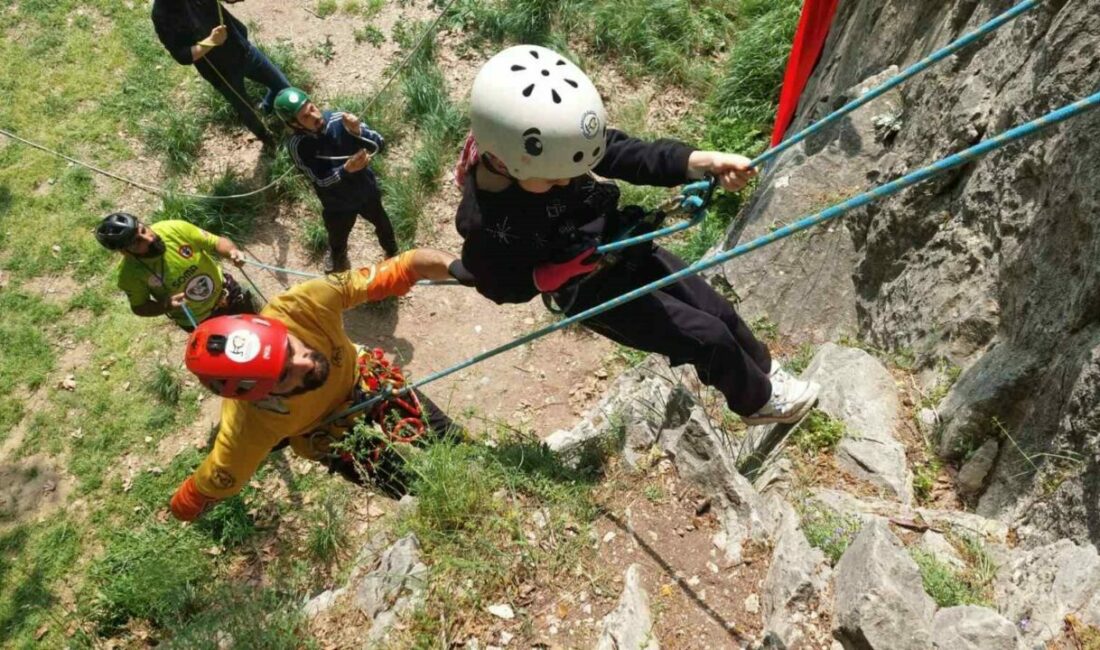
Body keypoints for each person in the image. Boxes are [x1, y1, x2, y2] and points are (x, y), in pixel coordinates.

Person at [453, 45, 819, 426]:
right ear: (501, 161)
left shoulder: (546, 150)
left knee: (718, 310)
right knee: (706, 336)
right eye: (553, 177)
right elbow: (494, 281)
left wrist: (700, 162)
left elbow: (627, 154)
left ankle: (766, 371)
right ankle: (757, 402)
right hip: (592, 292)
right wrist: (548, 277)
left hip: (623, 246)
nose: (566, 180)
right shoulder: (484, 223)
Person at [169, 250, 469, 521]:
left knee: (453, 442)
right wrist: (183, 505)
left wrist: (457, 267)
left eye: (290, 348)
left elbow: (404, 267)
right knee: (411, 488)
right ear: (262, 396)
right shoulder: (249, 426)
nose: (305, 363)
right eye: (285, 375)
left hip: (364, 378)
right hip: (327, 432)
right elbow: (213, 480)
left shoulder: (300, 305)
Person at [275, 87, 399, 273]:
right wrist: (345, 170)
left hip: (366, 190)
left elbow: (379, 143)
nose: (315, 116)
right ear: (295, 125)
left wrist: (358, 131)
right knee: (337, 236)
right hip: (336, 202)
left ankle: (392, 253)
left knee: (383, 224)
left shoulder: (340, 120)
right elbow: (318, 179)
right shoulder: (297, 146)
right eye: (305, 117)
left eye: (312, 108)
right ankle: (338, 261)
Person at [151, 0, 289, 147]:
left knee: (282, 86)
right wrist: (211, 41)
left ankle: (269, 108)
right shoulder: (161, 14)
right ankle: (268, 141)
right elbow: (182, 56)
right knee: (248, 113)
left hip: (243, 50)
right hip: (221, 74)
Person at [95, 213, 256, 331]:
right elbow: (140, 307)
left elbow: (216, 242)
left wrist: (232, 252)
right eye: (137, 243)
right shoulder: (129, 276)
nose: (149, 239)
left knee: (262, 328)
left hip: (229, 293)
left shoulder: (173, 228)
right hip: (201, 322)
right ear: (125, 252)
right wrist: (166, 305)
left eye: (143, 231)